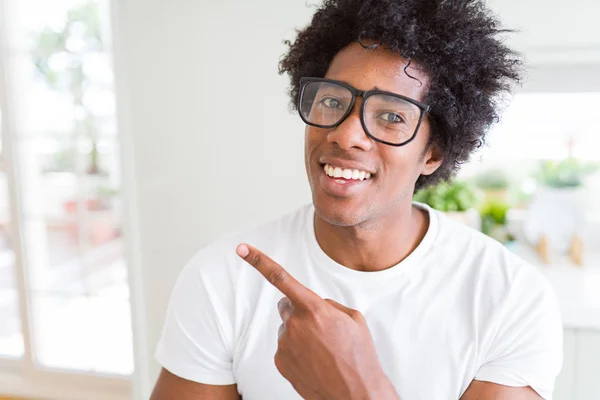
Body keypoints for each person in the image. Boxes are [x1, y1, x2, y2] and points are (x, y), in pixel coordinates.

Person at [150, 0, 563, 399]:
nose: (345, 135)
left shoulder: (510, 298)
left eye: (392, 116)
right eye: (332, 102)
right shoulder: (221, 277)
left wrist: (351, 389)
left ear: (433, 153)